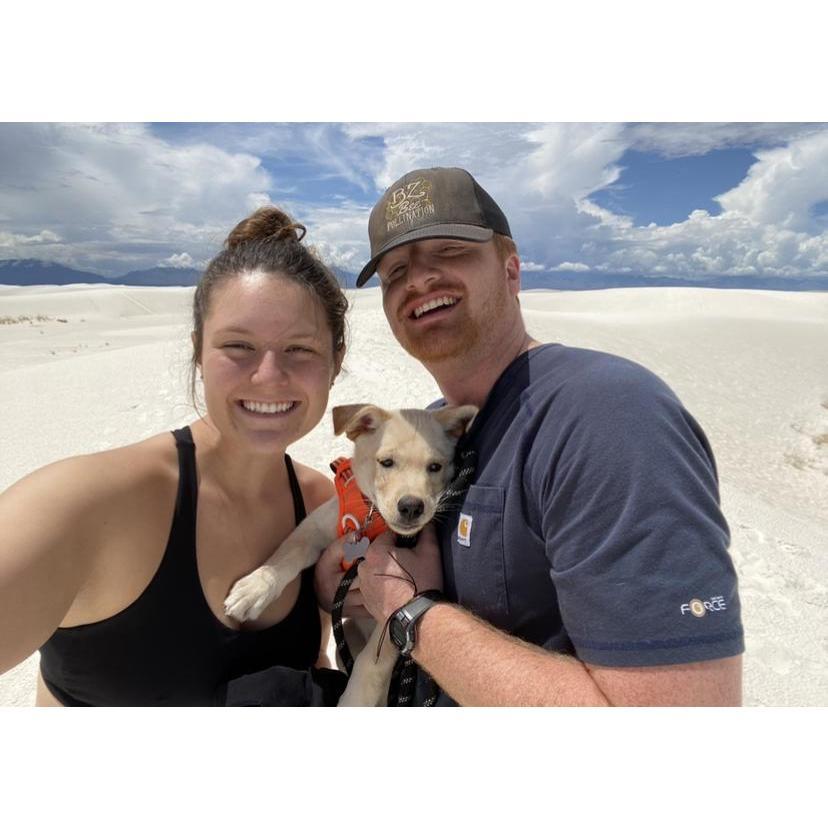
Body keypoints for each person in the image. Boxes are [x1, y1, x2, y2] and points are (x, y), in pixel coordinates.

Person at [315, 166, 744, 706]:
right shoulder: (432, 431)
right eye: (395, 270)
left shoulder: (608, 417)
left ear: (511, 270)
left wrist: (411, 613)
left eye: (449, 251)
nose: (418, 280)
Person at [0, 206, 349, 706]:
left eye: (300, 349)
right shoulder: (86, 504)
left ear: (335, 362)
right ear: (198, 353)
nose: (269, 375)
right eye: (238, 346)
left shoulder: (321, 506)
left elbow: (312, 667)